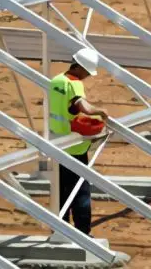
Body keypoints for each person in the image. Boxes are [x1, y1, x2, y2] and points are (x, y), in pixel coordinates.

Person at [49, 47, 108, 236]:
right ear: (80, 67)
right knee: (80, 191)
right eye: (87, 72)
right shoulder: (74, 84)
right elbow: (81, 105)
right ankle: (83, 232)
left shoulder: (56, 80)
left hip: (56, 143)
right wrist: (98, 111)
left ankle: (60, 227)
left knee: (60, 191)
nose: (87, 76)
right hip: (74, 146)